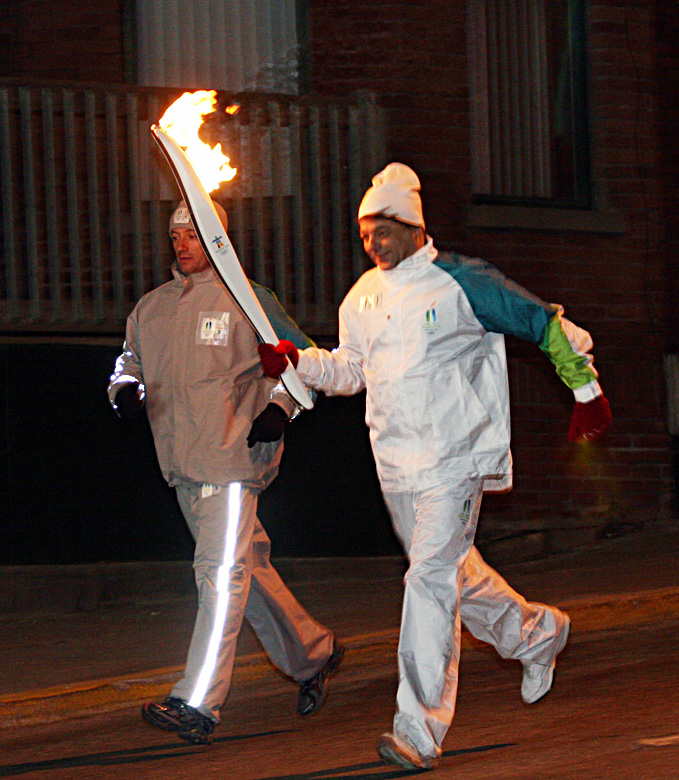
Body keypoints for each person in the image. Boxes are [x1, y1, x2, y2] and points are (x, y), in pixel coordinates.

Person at [259, 163, 612, 770]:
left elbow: (542, 321)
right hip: (394, 464)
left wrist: (584, 389)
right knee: (455, 576)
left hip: (454, 458)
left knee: (426, 581)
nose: (371, 242)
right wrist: (301, 362)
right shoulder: (362, 296)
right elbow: (350, 371)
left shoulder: (460, 281)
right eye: (364, 232)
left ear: (411, 225)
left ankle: (417, 731)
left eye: (381, 230)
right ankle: (539, 635)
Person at [108, 200, 344, 746]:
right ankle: (315, 654)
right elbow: (129, 360)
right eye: (175, 236)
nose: (182, 244)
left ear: (216, 238)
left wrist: (279, 408)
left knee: (219, 578)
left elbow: (303, 361)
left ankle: (198, 703)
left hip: (232, 459)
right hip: (180, 462)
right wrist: (123, 386)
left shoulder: (248, 300)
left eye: (193, 234)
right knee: (247, 572)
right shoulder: (152, 309)